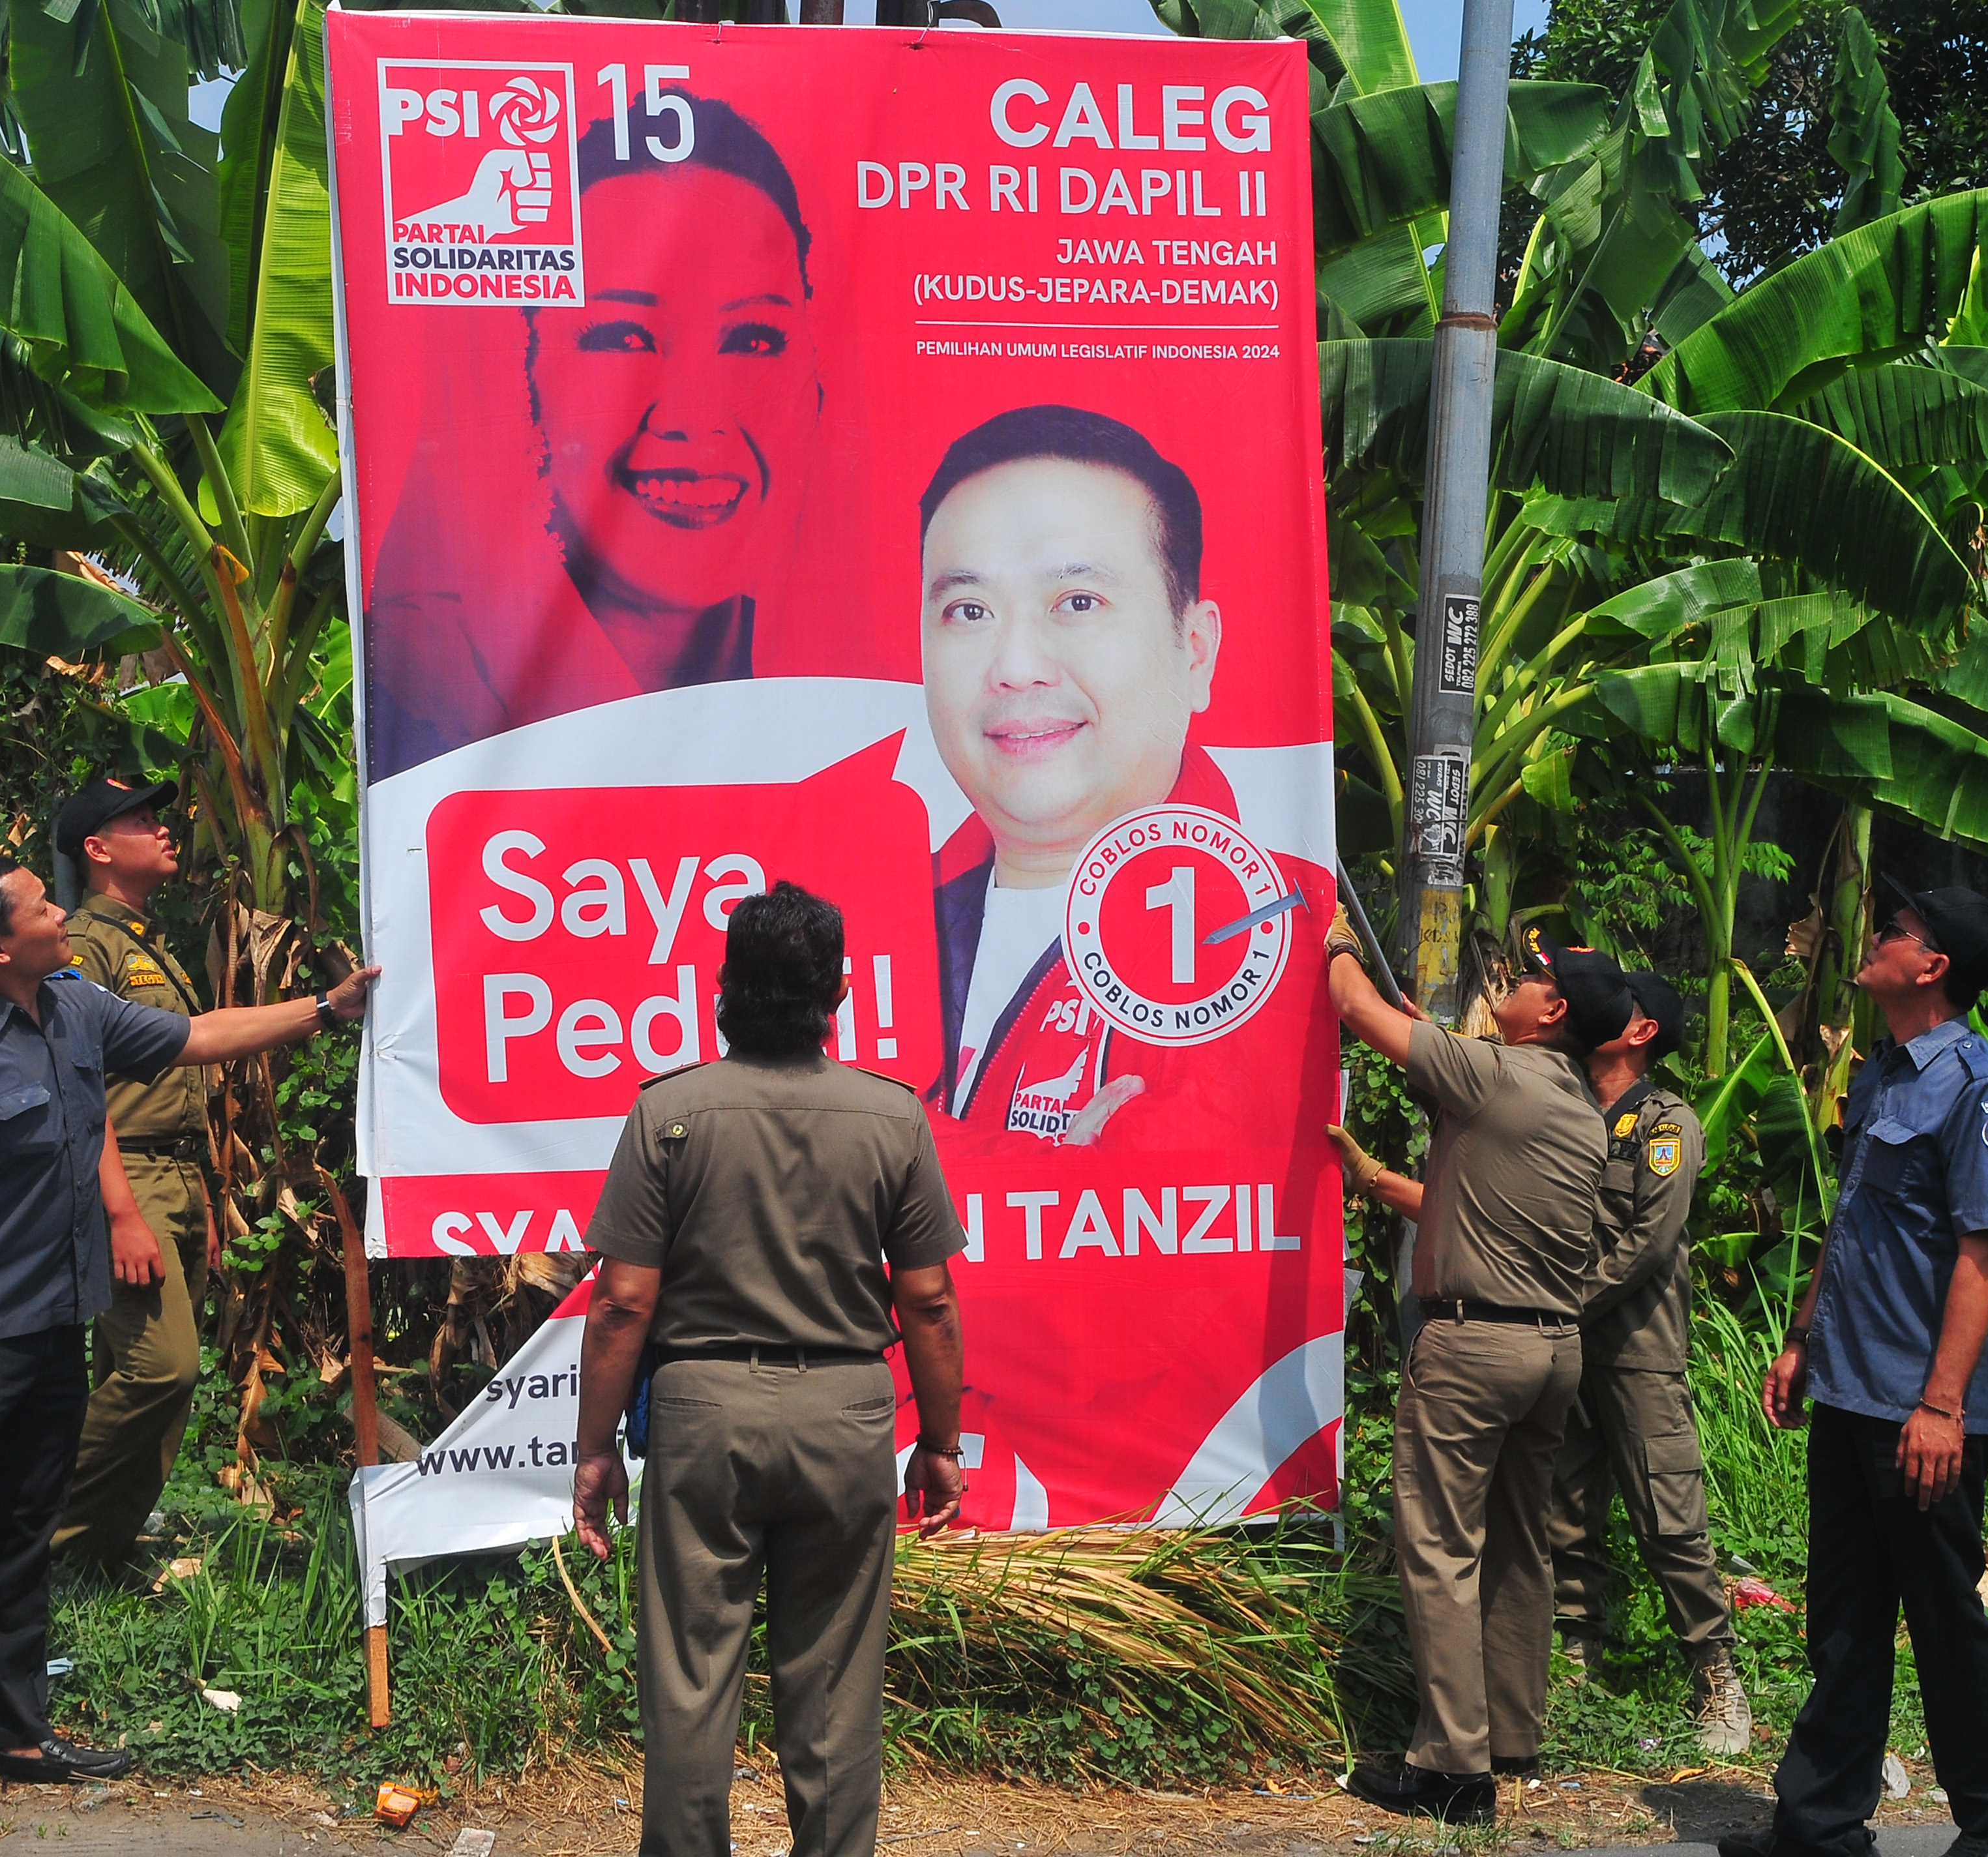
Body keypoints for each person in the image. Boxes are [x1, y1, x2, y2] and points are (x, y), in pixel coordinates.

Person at [0, 858, 375, 1836]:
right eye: (43, 907)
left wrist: (327, 1010)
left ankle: (13, 1733)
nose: (61, 912)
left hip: (57, 1323)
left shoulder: (74, 1008)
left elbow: (199, 1038)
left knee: (21, 1536)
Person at [571, 882, 967, 1857]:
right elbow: (927, 1301)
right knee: (833, 1682)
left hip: (705, 1410)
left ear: (724, 987)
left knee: (693, 1677)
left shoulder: (670, 1112)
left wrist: (592, 1453)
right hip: (847, 1413)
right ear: (837, 987)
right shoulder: (890, 1118)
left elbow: (622, 1300)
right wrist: (943, 1447)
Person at [370, 93, 823, 775]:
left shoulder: (854, 709)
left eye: (754, 340)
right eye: (623, 338)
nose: (692, 417)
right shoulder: (427, 705)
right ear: (525, 376)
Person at [1724, 882, 1988, 1857]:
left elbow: (1981, 1259)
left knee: (1946, 1627)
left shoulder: (1984, 1089)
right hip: (1849, 1391)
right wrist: (1799, 1342)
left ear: (1933, 966)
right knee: (1845, 1621)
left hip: (1922, 1411)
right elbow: (1851, 1225)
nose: (1873, 942)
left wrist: (1941, 1407)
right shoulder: (1882, 1076)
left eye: (1893, 933)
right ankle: (1820, 1825)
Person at [914, 404, 1322, 1155]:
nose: (1015, 668)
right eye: (968, 610)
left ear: (1195, 650)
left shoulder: (1268, 926)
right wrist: (1044, 1162)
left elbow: (1161, 1193)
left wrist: (871, 1133)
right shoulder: (878, 919)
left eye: (1077, 603)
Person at [1322, 925, 1629, 1824]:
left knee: (1443, 1548)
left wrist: (1335, 932)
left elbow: (1352, 1004)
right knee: (1517, 1544)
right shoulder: (1575, 1107)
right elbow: (1478, 1190)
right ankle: (1510, 1738)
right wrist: (1385, 1167)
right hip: (1550, 1350)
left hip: (1473, 1349)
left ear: (1553, 1014)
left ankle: (1452, 1769)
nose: (1521, 982)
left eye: (1535, 980)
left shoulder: (1492, 1075)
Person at [1547, 969, 1750, 1753]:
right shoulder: (1561, 1098)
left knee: (1668, 1516)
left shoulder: (1665, 1124)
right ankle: (1576, 1665)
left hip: (1635, 1348)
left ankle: (1715, 1676)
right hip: (1564, 1344)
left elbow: (1648, 1243)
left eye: (1617, 1002)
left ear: (1639, 1031)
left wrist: (1562, 1300)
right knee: (1565, 1508)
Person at [44, 776, 216, 1572]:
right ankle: (32, 1525)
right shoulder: (85, 944)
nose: (165, 828)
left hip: (178, 1177)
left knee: (159, 1383)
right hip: (126, 1177)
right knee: (162, 1364)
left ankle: (90, 1554)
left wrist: (203, 1200)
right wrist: (120, 1211)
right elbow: (80, 1087)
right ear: (99, 849)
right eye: (143, 821)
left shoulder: (151, 943)